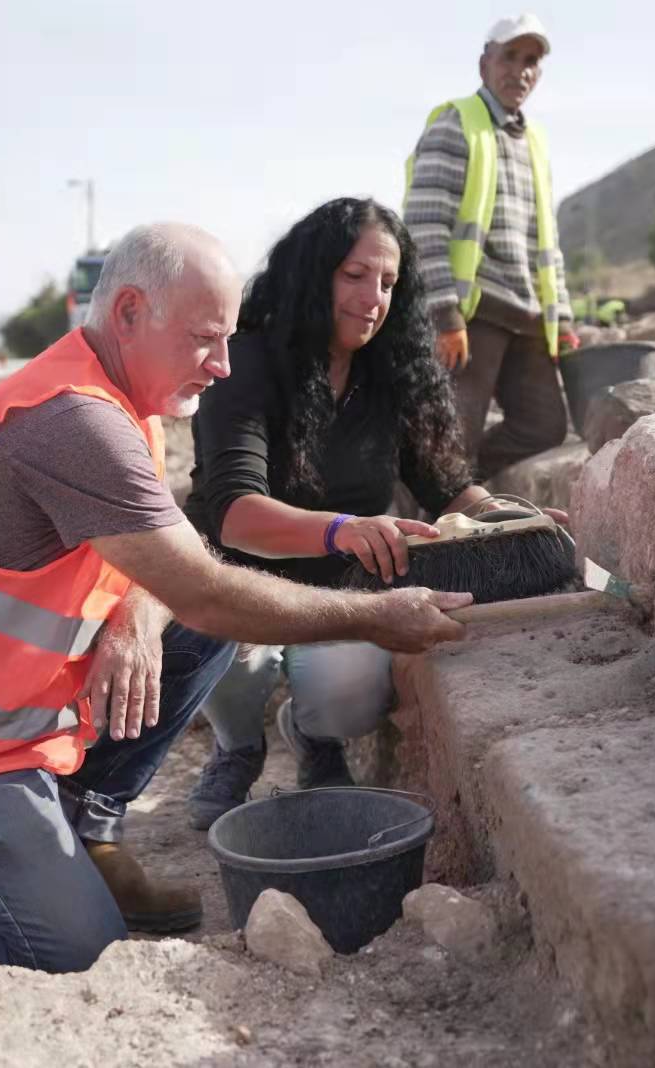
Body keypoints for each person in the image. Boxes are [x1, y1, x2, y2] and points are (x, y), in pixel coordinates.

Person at [0, 222, 474, 973]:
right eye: (204, 339)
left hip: (7, 723)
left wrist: (135, 612)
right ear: (129, 312)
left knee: (188, 633)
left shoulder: (127, 400)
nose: (223, 366)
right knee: (75, 952)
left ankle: (83, 823)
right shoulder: (75, 420)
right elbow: (207, 589)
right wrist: (378, 616)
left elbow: (170, 563)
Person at [181, 198, 508, 830]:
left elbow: (448, 488)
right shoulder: (245, 361)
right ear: (314, 273)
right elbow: (233, 512)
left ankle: (315, 737)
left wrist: (510, 518)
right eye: (354, 275)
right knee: (206, 642)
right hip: (235, 580)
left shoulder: (392, 374)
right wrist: (342, 529)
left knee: (350, 691)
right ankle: (237, 746)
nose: (373, 297)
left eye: (388, 283)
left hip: (340, 594)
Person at [403, 13, 577, 480]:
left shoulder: (535, 140)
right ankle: (427, 529)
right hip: (472, 315)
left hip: (527, 315)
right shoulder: (455, 124)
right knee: (451, 439)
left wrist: (561, 315)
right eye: (510, 56)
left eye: (531, 61)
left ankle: (462, 487)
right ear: (485, 63)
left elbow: (547, 241)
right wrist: (444, 315)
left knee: (544, 426)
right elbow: (423, 226)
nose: (520, 69)